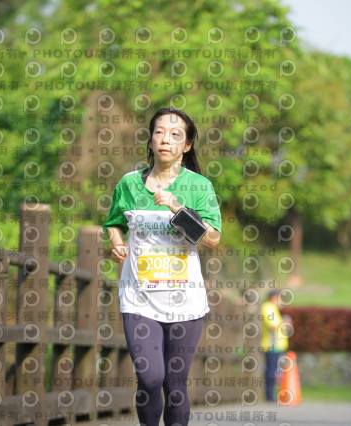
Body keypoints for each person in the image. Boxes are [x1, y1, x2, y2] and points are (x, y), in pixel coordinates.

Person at [103, 107, 222, 426]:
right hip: (138, 298)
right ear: (151, 139)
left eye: (175, 135)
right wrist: (116, 244)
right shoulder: (129, 184)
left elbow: (212, 238)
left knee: (175, 384)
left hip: (185, 300)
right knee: (150, 377)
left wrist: (177, 207)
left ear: (187, 145)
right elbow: (113, 223)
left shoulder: (199, 186)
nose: (166, 139)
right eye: (159, 132)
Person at [260, 290, 289, 402]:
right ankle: (269, 396)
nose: (282, 301)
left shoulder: (273, 308)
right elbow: (272, 326)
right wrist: (284, 324)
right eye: (280, 298)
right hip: (272, 346)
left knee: (275, 371)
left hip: (277, 346)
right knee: (271, 371)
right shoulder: (268, 308)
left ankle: (272, 395)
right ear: (274, 298)